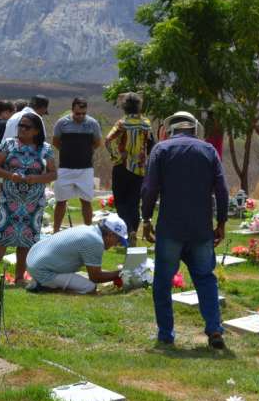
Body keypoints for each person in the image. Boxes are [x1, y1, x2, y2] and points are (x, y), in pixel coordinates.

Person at [140, 111, 228, 349]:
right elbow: (221, 189)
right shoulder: (209, 150)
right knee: (205, 278)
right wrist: (221, 222)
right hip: (201, 228)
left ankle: (166, 334)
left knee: (162, 282)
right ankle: (214, 329)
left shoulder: (161, 150)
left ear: (169, 130)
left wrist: (146, 218)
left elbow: (150, 188)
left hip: (170, 227)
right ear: (194, 129)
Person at [0, 112, 57, 286]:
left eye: (27, 127)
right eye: (20, 126)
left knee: (27, 239)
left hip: (33, 202)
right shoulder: (8, 144)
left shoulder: (45, 149)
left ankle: (19, 277)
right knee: (2, 236)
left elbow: (53, 174)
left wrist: (36, 179)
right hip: (10, 199)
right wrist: (10, 175)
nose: (22, 129)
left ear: (36, 131)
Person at [26, 215, 128, 294]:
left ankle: (43, 282)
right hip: (42, 270)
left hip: (33, 258)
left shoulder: (89, 229)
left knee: (83, 279)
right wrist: (122, 273)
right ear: (111, 235)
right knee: (89, 288)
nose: (116, 244)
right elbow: (96, 277)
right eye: (118, 240)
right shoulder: (95, 241)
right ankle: (44, 287)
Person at [104, 92, 151, 244]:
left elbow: (108, 140)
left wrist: (117, 156)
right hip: (139, 169)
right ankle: (133, 233)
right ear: (139, 106)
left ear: (124, 107)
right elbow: (150, 144)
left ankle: (129, 229)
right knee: (134, 202)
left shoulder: (122, 123)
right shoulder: (146, 123)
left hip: (122, 168)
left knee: (121, 202)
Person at [51, 97, 103, 232]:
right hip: (65, 168)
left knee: (86, 201)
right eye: (77, 113)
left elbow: (97, 142)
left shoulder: (92, 124)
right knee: (61, 201)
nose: (80, 116)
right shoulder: (62, 123)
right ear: (72, 110)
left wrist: (86, 150)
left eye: (83, 113)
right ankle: (55, 230)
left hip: (85, 169)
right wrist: (68, 151)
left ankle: (88, 231)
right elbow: (56, 141)